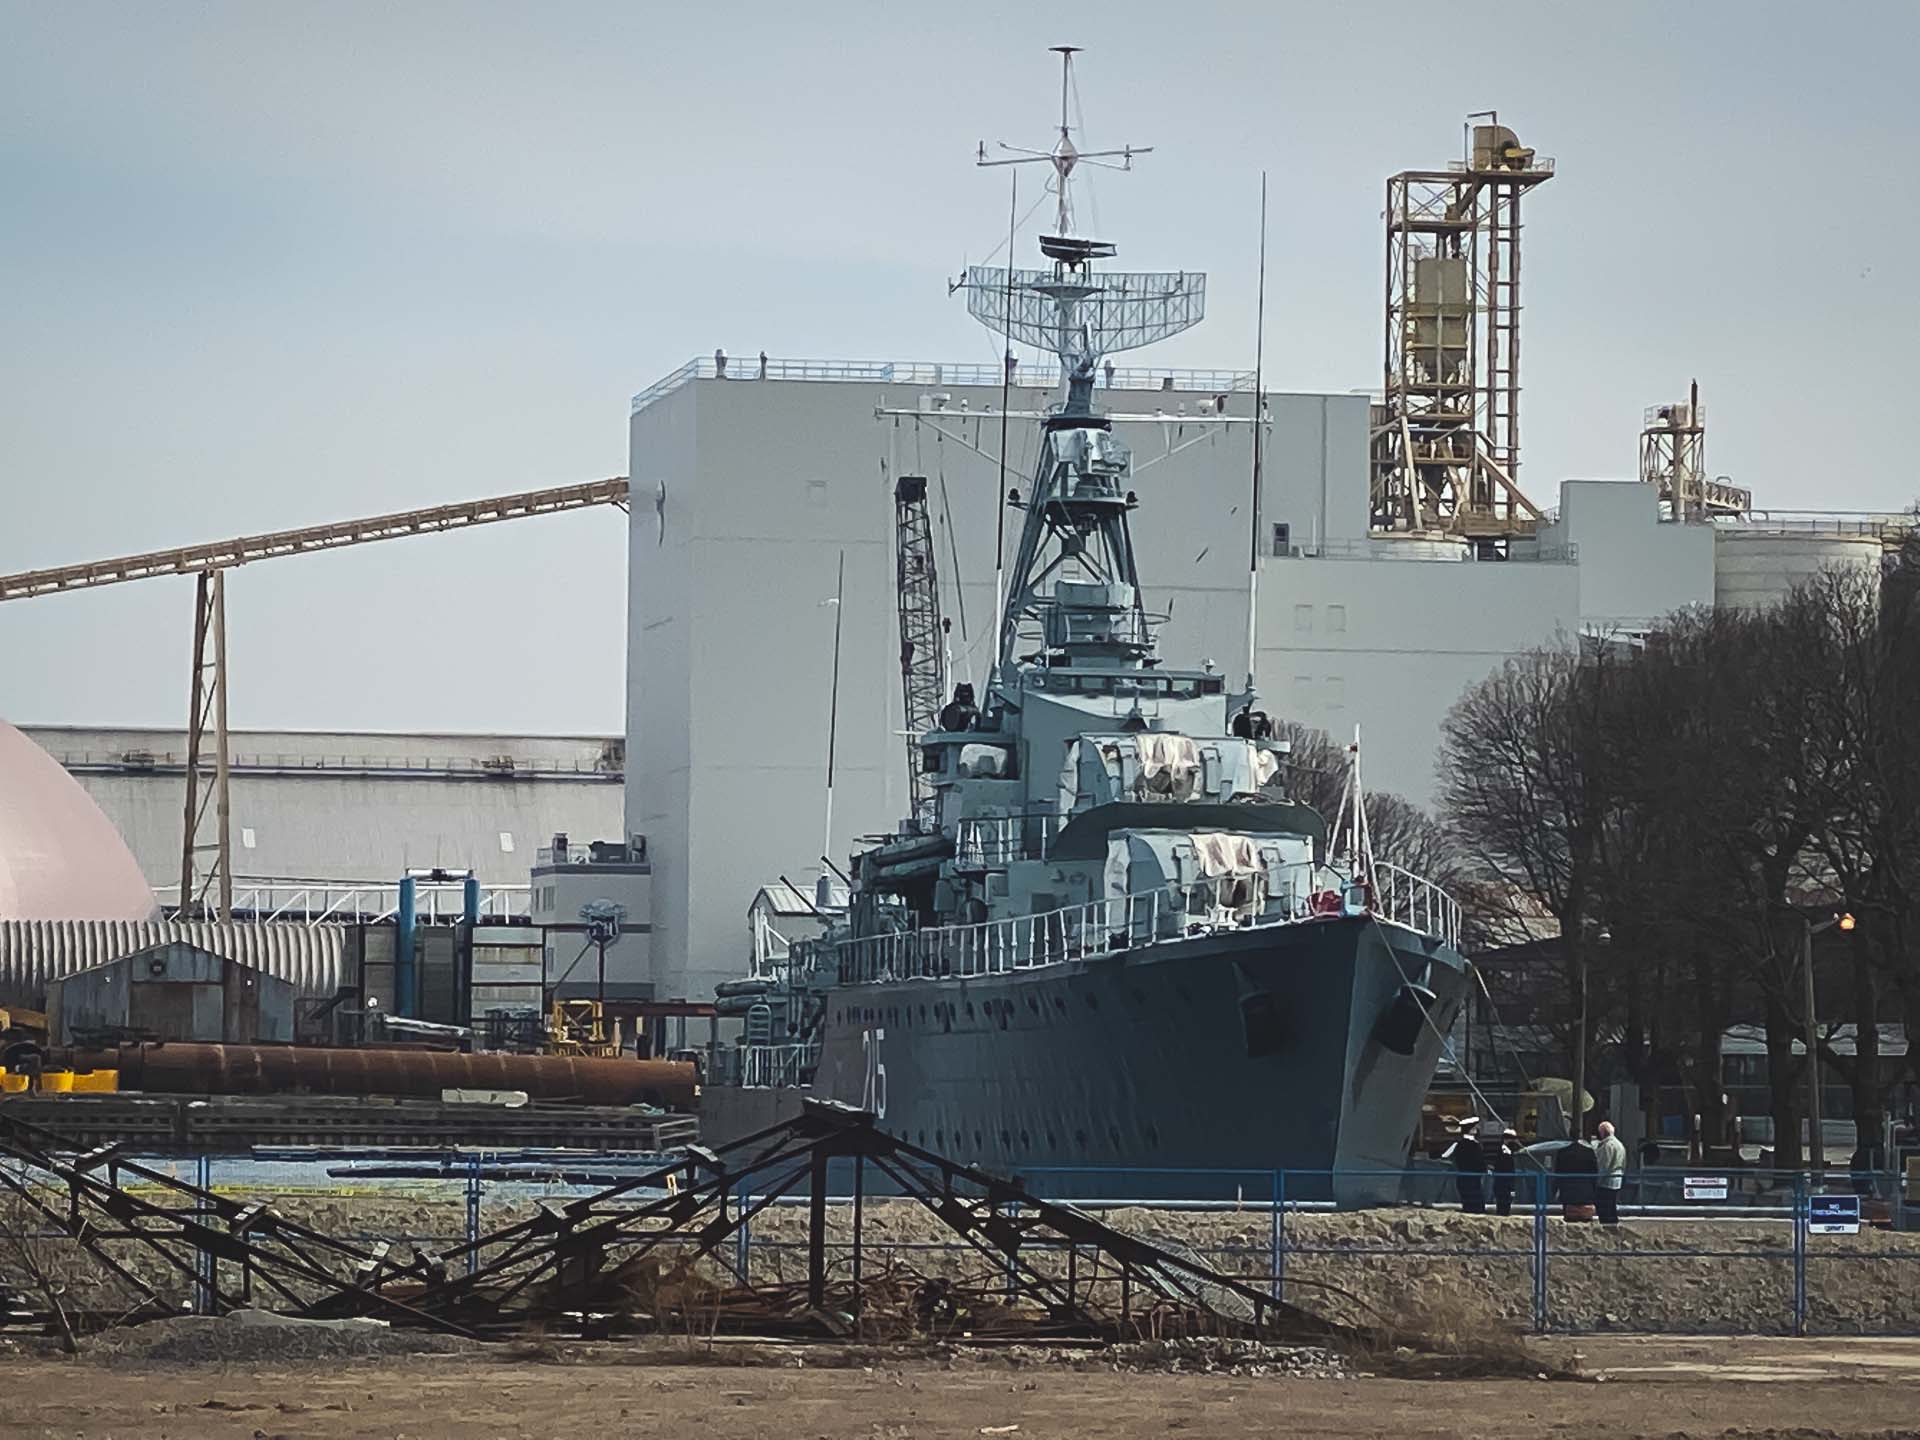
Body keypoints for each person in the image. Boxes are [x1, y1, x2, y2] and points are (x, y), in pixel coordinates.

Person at [1442, 1116, 1486, 1214]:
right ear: (1471, 1129)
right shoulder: (1474, 1145)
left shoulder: (1458, 1144)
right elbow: (1478, 1161)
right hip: (1473, 1179)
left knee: (1468, 1205)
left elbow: (1445, 1156)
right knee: (1476, 1205)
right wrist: (1484, 1170)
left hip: (1463, 1178)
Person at [1554, 1135, 1599, 1221]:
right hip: (1586, 1190)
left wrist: (1556, 1189)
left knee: (1570, 1218)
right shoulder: (1589, 1151)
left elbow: (1558, 1172)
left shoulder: (1563, 1152)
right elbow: (1595, 1172)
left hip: (1568, 1191)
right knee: (1586, 1219)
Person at [1594, 1120, 1626, 1225]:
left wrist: (1597, 1181)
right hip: (1617, 1179)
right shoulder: (1620, 1144)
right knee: (1612, 1206)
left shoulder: (1607, 1146)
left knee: (1604, 1207)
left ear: (1603, 1132)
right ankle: (1613, 1226)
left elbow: (1604, 1165)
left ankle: (1607, 1227)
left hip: (1607, 1182)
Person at [1490, 1127, 1520, 1216]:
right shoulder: (1504, 1152)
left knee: (1506, 1205)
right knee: (1503, 1206)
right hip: (1503, 1184)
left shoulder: (1509, 1152)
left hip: (1506, 1184)